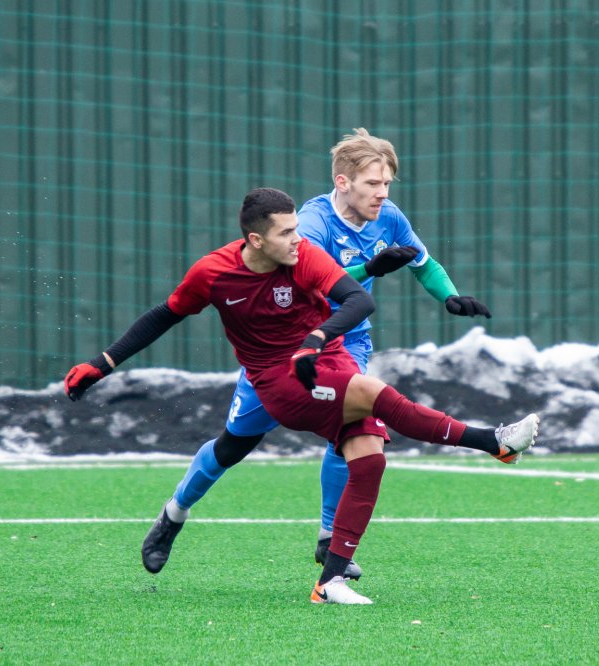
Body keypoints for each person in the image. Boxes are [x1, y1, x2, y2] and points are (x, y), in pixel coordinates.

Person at [64, 187, 539, 605]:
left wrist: (316, 338)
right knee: (231, 448)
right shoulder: (213, 273)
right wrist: (102, 364)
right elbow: (164, 315)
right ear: (256, 240)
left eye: (296, 229)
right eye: (286, 232)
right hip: (273, 378)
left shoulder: (306, 255)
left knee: (369, 455)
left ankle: (330, 579)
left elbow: (360, 299)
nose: (298, 239)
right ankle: (173, 514)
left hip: (324, 358)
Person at [124, 128, 496, 583]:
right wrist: (368, 267)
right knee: (234, 445)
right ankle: (174, 513)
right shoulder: (312, 224)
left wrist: (449, 296)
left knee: (354, 429)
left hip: (347, 342)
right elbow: (319, 277)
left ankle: (329, 538)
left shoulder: (389, 216)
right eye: (373, 183)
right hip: (288, 346)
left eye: (386, 183)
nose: (383, 193)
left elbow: (424, 263)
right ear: (343, 182)